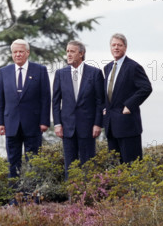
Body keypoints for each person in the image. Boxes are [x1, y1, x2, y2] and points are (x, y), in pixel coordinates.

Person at [0, 39, 51, 178]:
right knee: (12, 162)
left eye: (21, 51)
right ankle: (14, 197)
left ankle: (33, 196)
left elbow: (45, 97)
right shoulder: (4, 72)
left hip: (33, 124)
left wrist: (44, 121)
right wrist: (0, 123)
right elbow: (0, 99)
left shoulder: (40, 70)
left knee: (33, 161)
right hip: (11, 125)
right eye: (15, 52)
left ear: (27, 52)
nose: (18, 55)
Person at [53, 40, 104, 176]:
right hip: (67, 127)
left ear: (81, 54)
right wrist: (57, 124)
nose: (68, 54)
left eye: (72, 51)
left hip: (88, 127)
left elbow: (100, 101)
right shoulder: (60, 74)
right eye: (67, 51)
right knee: (70, 166)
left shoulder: (95, 73)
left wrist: (98, 124)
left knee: (88, 165)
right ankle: (71, 197)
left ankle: (88, 195)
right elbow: (56, 101)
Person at [103, 33, 152, 163]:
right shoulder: (107, 68)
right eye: (113, 45)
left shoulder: (133, 67)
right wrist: (104, 107)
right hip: (111, 126)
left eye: (119, 45)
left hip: (128, 125)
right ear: (110, 47)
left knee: (132, 166)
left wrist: (129, 105)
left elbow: (146, 88)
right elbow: (107, 93)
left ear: (125, 47)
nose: (116, 48)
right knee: (114, 166)